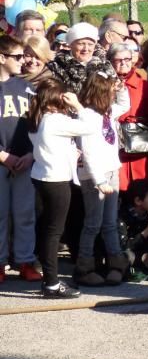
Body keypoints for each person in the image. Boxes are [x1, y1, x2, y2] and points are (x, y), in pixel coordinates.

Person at [28, 79, 95, 298]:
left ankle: (49, 280)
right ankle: (52, 284)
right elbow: (91, 127)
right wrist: (78, 106)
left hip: (42, 176)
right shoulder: (55, 120)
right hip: (56, 180)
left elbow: (49, 147)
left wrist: (69, 154)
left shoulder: (39, 119)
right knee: (54, 232)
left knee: (49, 228)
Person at [73, 69, 131, 286]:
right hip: (94, 177)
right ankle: (84, 267)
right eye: (110, 92)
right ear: (99, 93)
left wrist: (122, 88)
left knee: (110, 222)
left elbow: (125, 106)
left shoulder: (107, 112)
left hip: (111, 171)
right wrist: (99, 181)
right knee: (93, 224)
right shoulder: (87, 115)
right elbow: (88, 152)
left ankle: (117, 264)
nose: (113, 96)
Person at [0, 36, 41, 283]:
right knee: (0, 213)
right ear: (1, 58)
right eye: (17, 56)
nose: (23, 61)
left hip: (25, 160)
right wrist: (3, 155)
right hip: (2, 159)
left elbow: (39, 125)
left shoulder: (27, 88)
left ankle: (25, 260)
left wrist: (30, 153)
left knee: (25, 213)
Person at [108, 44, 148, 192]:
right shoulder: (103, 85)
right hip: (116, 146)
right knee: (118, 189)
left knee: (143, 189)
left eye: (127, 59)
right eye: (118, 60)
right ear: (110, 62)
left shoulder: (143, 84)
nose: (123, 63)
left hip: (140, 145)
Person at [47, 22, 113, 94]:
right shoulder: (57, 66)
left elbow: (116, 94)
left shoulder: (104, 65)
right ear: (71, 44)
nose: (86, 48)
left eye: (90, 44)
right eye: (81, 44)